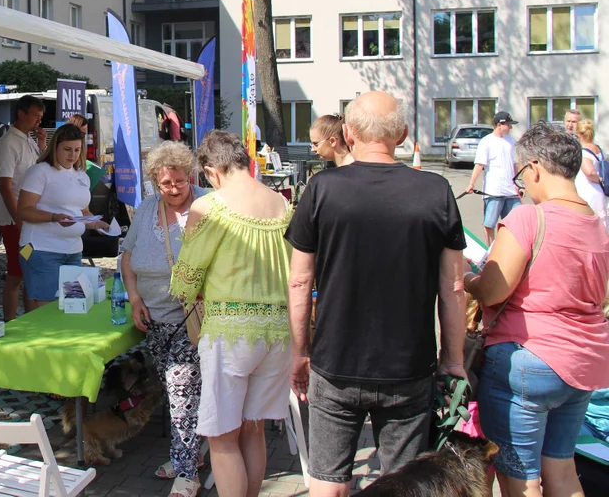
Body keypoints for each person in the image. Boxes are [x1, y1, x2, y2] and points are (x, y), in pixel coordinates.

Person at [286, 92, 468, 497]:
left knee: (328, 483)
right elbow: (454, 286)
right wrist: (452, 359)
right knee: (402, 485)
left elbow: (299, 282)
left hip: (335, 363)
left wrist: (300, 351)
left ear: (348, 134)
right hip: (409, 365)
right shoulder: (437, 191)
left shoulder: (321, 189)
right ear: (402, 135)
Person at [463, 122, 609, 496]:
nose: (520, 186)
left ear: (534, 169)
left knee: (520, 477)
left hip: (528, 359)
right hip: (584, 362)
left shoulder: (530, 218)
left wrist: (467, 278)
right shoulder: (596, 224)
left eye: (520, 175)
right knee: (562, 470)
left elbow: (494, 291)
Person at [170, 130, 292, 497]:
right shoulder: (281, 203)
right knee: (252, 429)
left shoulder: (211, 206)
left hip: (230, 330)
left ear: (211, 170)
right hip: (277, 329)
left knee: (222, 436)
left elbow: (185, 279)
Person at [121, 141, 208, 497]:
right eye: (165, 184)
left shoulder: (206, 205)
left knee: (181, 390)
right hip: (154, 320)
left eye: (179, 182)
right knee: (181, 394)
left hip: (191, 318)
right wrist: (135, 297)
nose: (172, 190)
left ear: (191, 175)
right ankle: (190, 451)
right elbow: (127, 257)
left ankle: (187, 472)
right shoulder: (145, 210)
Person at [17, 124, 108, 309]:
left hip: (73, 251)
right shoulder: (40, 171)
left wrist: (95, 224)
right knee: (47, 307)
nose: (72, 155)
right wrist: (53, 217)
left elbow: (83, 212)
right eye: (67, 149)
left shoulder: (82, 175)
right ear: (55, 147)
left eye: (77, 150)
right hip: (42, 249)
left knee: (71, 305)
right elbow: (24, 210)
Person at [0, 95, 46, 321]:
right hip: (15, 220)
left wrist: (42, 145)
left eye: (41, 117)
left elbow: (39, 170)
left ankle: (28, 321)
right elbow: (5, 186)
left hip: (29, 217)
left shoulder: (28, 139)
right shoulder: (8, 143)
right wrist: (18, 218)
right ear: (21, 114)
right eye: (35, 115)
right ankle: (10, 322)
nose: (38, 121)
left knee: (29, 272)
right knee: (16, 272)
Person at [465, 111, 523, 245]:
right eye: (508, 125)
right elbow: (479, 164)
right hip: (493, 191)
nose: (510, 128)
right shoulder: (486, 142)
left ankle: (509, 250)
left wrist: (519, 184)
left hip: (511, 192)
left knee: (514, 224)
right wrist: (471, 183)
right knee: (489, 224)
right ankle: (490, 250)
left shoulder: (511, 141)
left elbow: (514, 164)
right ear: (499, 125)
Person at [576, 119, 608, 232]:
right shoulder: (599, 149)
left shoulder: (583, 151)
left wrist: (598, 179)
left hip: (588, 191)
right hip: (601, 192)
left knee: (589, 225)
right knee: (602, 224)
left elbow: (589, 172)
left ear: (579, 134)